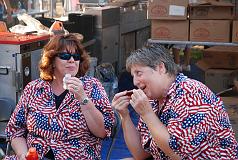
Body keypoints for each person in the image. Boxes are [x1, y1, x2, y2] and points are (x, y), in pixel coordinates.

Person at [112, 43, 238, 160]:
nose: (135, 82)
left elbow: (178, 154)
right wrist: (125, 115)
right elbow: (140, 154)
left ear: (160, 67)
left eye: (139, 73)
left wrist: (147, 114)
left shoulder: (191, 93)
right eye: (133, 76)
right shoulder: (154, 100)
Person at [5, 33, 115, 160]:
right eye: (65, 56)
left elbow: (103, 132)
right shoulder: (34, 88)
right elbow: (15, 129)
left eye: (76, 56)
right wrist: (23, 154)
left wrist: (82, 97)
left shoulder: (92, 86)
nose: (72, 60)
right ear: (51, 61)